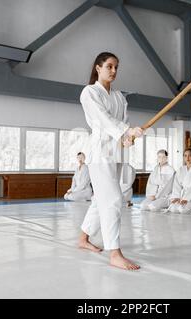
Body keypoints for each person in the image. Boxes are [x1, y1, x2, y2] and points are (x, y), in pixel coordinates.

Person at [78, 52, 143, 270]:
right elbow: (103, 120)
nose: (114, 71)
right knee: (114, 199)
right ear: (98, 68)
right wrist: (125, 130)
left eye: (116, 67)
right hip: (98, 154)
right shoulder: (89, 92)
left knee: (101, 199)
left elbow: (122, 122)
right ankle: (115, 253)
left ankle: (83, 239)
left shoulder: (119, 96)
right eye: (109, 66)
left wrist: (127, 138)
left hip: (114, 154)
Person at [167, 149, 191, 214]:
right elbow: (176, 185)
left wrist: (186, 198)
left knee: (182, 209)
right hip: (182, 195)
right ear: (183, 157)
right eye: (185, 156)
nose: (187, 158)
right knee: (173, 208)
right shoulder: (181, 169)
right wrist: (177, 197)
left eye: (190, 155)